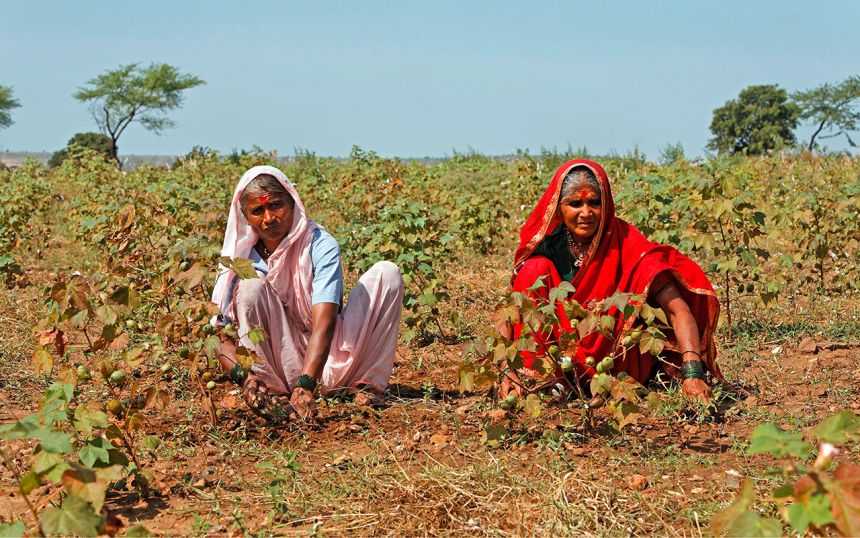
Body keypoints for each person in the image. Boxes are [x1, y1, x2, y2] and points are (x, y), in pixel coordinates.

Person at [499, 159, 721, 403]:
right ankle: (540, 379)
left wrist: (692, 373)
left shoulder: (628, 245)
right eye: (575, 203)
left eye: (594, 202)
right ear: (558, 208)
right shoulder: (547, 247)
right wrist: (504, 368)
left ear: (606, 204)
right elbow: (509, 312)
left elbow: (678, 310)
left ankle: (601, 388)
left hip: (614, 364)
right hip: (558, 360)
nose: (586, 213)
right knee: (533, 270)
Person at [211, 165, 404, 421]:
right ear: (246, 217)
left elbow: (324, 322)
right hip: (280, 367)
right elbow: (218, 333)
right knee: (250, 287)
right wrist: (245, 379)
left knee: (386, 273)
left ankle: (366, 384)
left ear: (293, 203)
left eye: (276, 205)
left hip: (333, 359)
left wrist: (306, 385)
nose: (269, 218)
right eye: (258, 210)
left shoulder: (319, 245)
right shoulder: (240, 260)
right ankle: (272, 391)